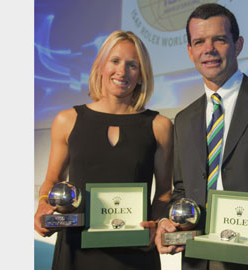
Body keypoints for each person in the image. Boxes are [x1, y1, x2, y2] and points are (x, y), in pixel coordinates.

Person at [155, 3, 248, 270]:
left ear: (238, 44)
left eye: (219, 40)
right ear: (190, 51)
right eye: (199, 42)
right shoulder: (185, 120)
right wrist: (173, 221)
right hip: (199, 260)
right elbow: (181, 191)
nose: (208, 49)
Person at [34, 30, 173, 270]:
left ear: (141, 75)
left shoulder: (159, 126)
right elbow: (52, 180)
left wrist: (155, 223)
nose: (122, 71)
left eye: (132, 65)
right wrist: (43, 207)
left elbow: (163, 192)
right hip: (76, 250)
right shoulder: (67, 120)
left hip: (135, 252)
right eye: (115, 61)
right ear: (100, 66)